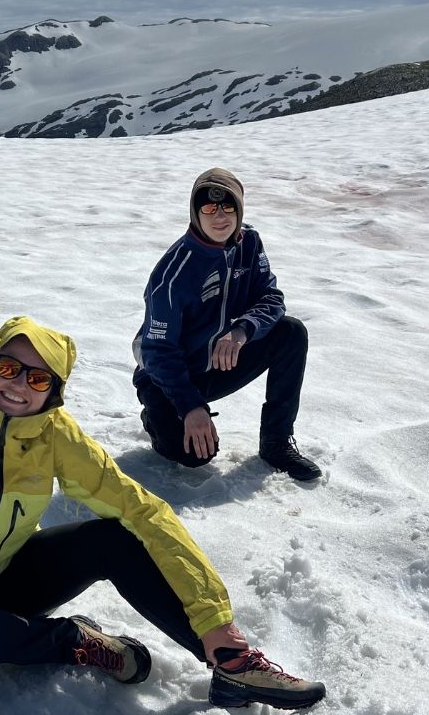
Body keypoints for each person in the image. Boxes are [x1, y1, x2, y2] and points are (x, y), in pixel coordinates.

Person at [0, 316, 326, 711]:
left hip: (12, 577)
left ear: (56, 391)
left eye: (39, 378)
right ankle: (71, 642)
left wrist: (215, 621)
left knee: (118, 536)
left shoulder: (55, 438)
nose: (19, 385)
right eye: (8, 367)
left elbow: (144, 511)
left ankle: (228, 667)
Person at [133, 167, 322, 481]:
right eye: (208, 208)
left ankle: (276, 442)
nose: (219, 216)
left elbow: (272, 298)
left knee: (291, 334)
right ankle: (157, 418)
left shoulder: (249, 243)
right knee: (195, 457)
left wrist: (242, 330)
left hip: (218, 361)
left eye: (228, 206)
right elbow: (157, 351)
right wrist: (191, 407)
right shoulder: (174, 273)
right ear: (196, 213)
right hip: (167, 375)